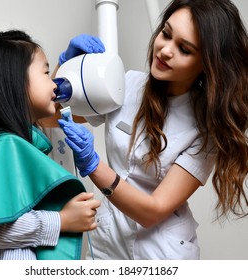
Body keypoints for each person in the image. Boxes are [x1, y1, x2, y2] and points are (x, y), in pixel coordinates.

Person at [55, 0, 248, 259]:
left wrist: (93, 165)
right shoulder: (125, 84)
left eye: (184, 49)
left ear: (207, 64)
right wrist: (65, 68)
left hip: (161, 252)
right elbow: (54, 114)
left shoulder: (206, 128)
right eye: (166, 34)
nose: (165, 50)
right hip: (107, 243)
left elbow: (153, 211)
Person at [0, 30, 101, 260]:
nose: (54, 83)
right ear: (14, 83)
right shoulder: (1, 147)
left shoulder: (0, 144)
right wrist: (61, 221)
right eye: (45, 72)